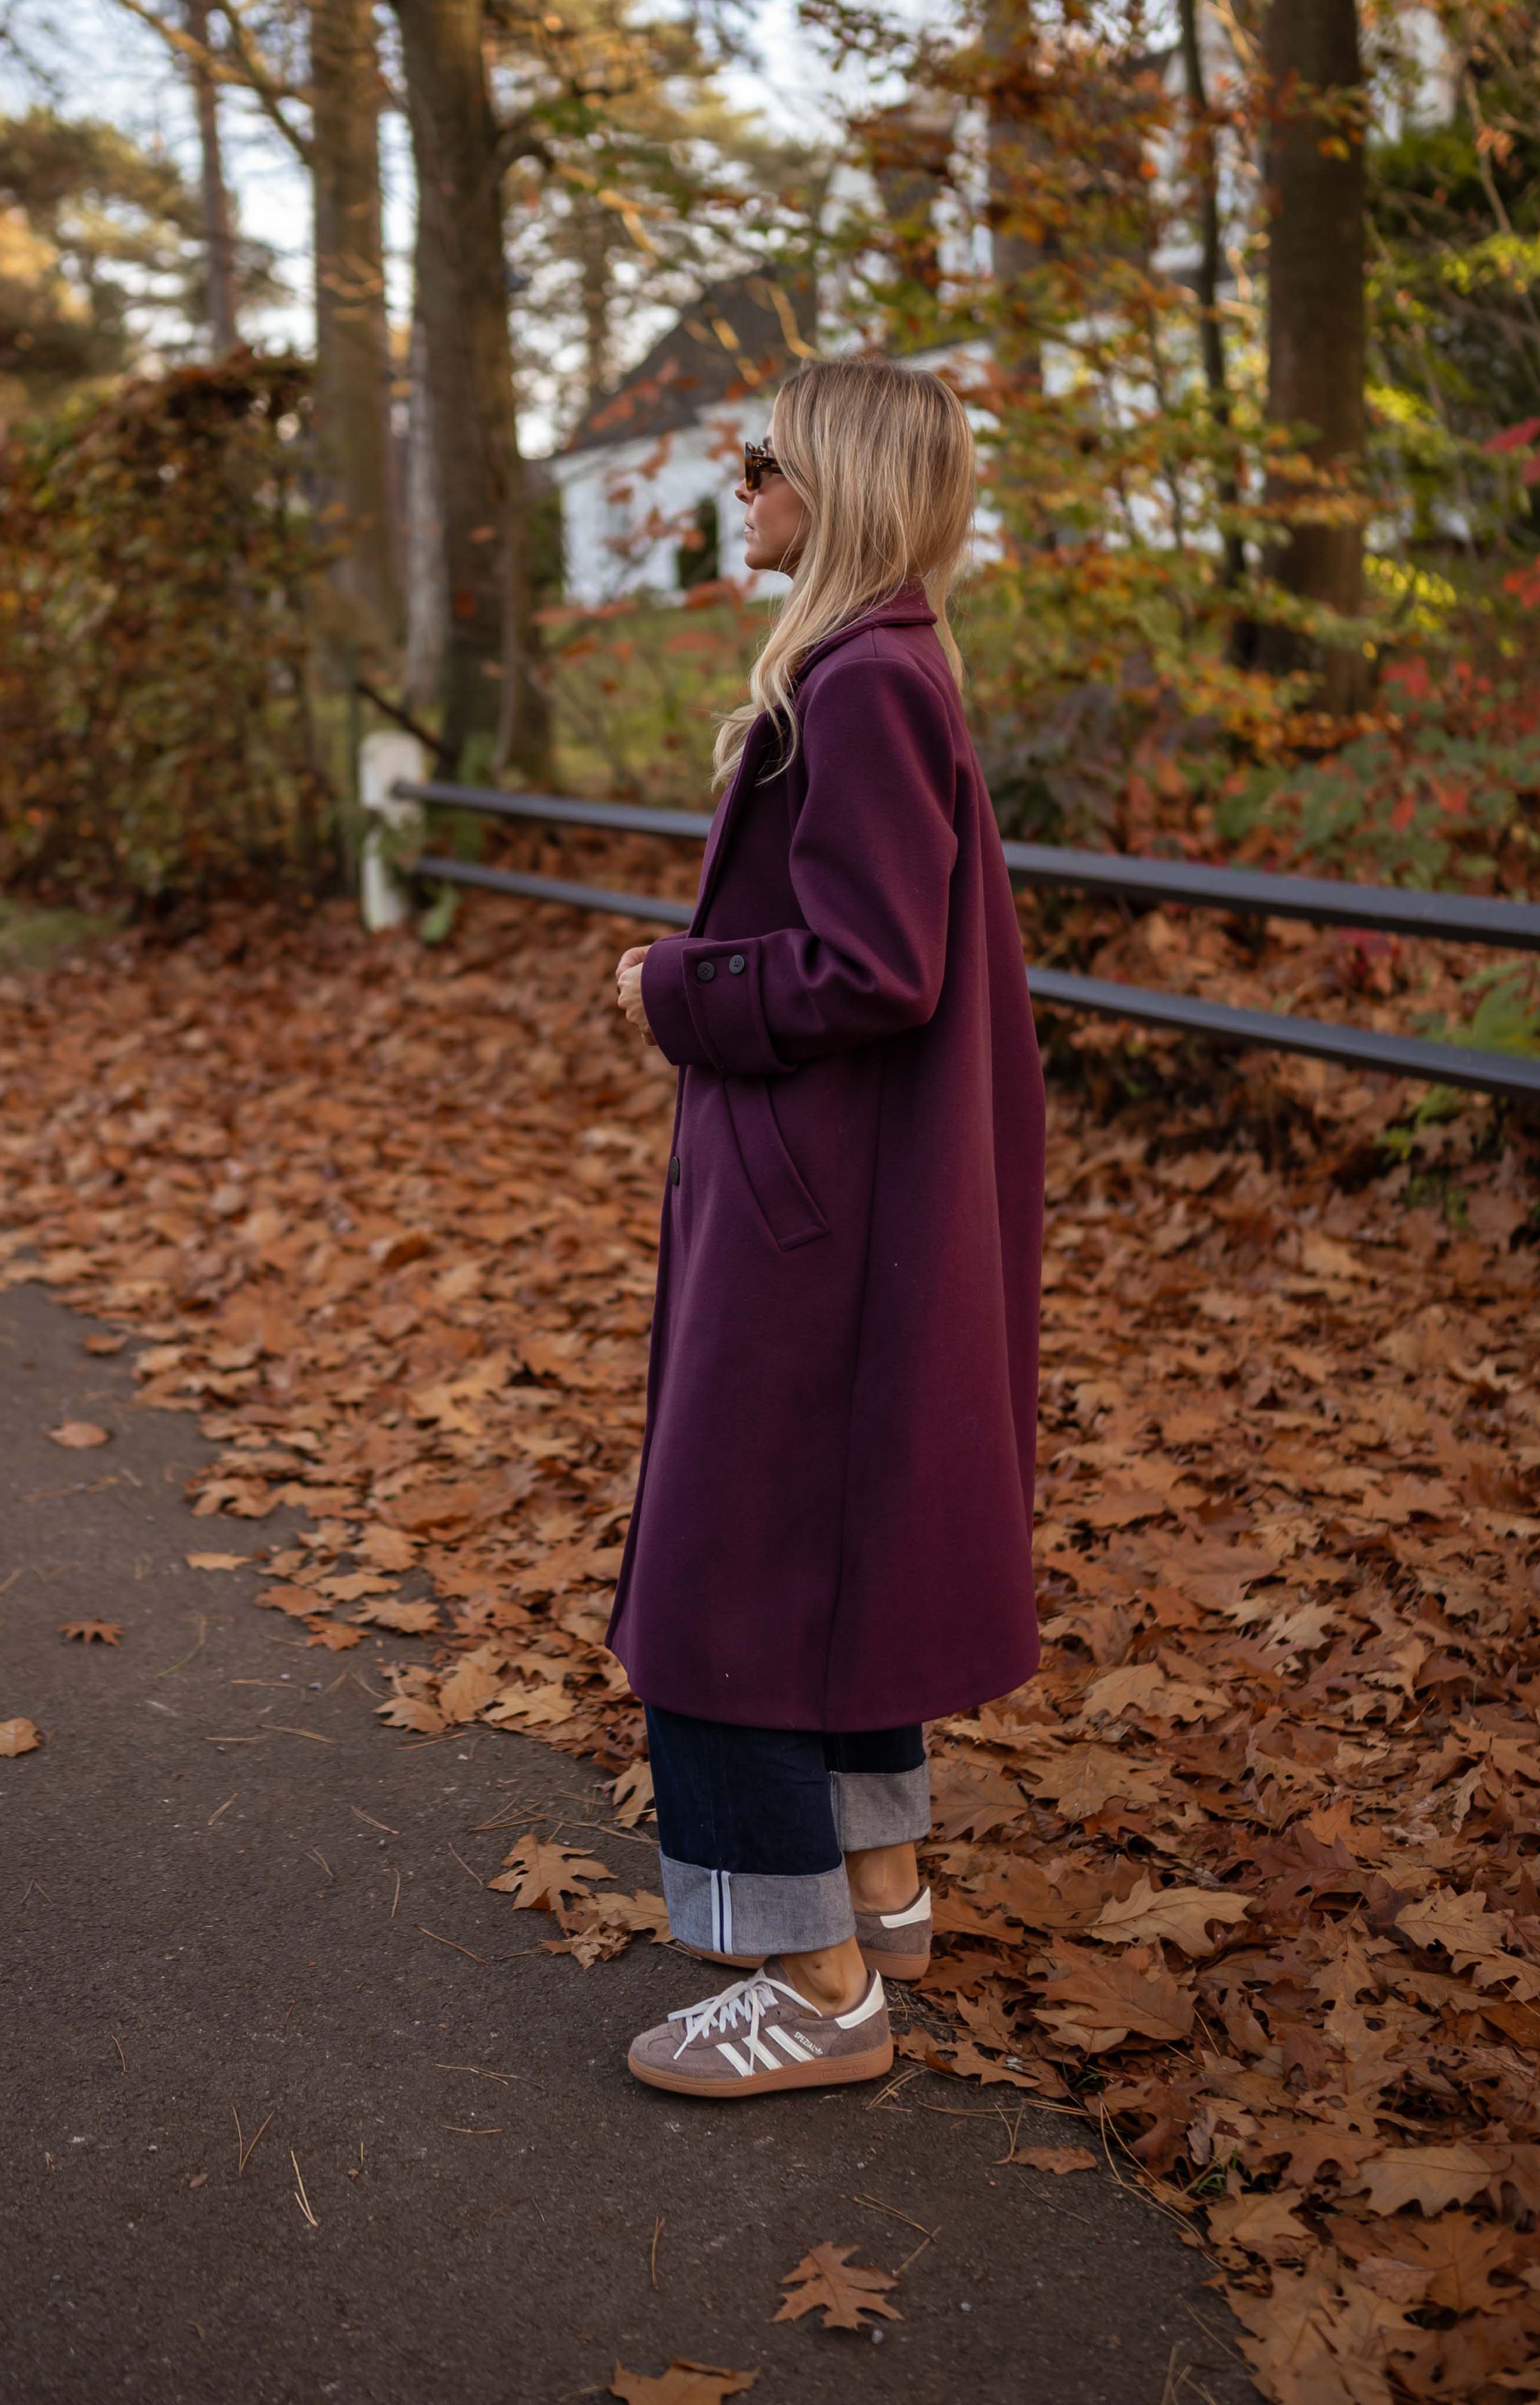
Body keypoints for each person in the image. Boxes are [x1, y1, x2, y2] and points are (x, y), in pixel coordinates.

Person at [608, 355, 1045, 2099]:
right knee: (827, 1548)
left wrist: (674, 986)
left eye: (765, 458)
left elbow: (876, 967)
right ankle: (876, 1880)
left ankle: (812, 1989)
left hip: (817, 1212)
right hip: (839, 1196)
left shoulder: (863, 682)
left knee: (727, 1575)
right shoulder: (885, 665)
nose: (739, 480)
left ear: (840, 482)